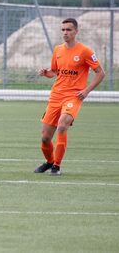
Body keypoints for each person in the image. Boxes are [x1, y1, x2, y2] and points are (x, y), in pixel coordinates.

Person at [34, 18, 105, 176]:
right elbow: (55, 72)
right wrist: (47, 73)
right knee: (45, 138)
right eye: (63, 30)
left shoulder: (85, 51)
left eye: (69, 30)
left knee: (62, 125)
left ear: (76, 31)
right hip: (56, 96)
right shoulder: (58, 50)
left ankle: (56, 166)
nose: (65, 33)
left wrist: (86, 91)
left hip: (73, 97)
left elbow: (101, 73)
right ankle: (49, 162)